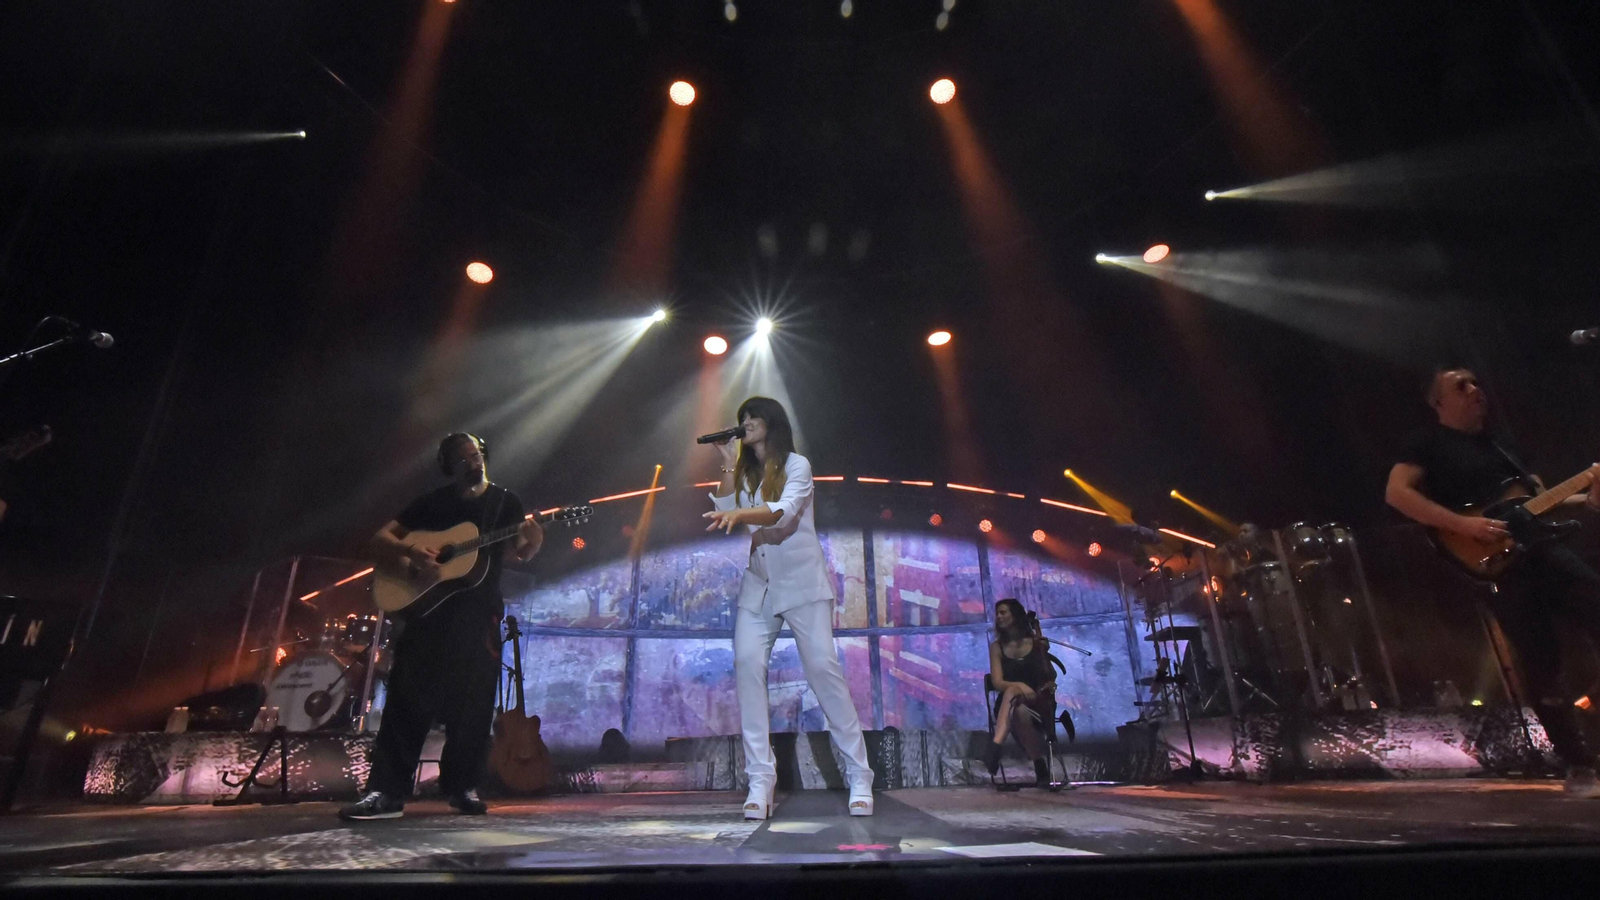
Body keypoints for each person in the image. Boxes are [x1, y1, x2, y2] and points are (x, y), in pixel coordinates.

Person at [1385, 365, 1600, 798]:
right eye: (1459, 386)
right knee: (1541, 662)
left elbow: (1532, 504)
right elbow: (1397, 494)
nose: (1474, 389)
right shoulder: (1427, 444)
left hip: (1543, 550)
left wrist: (1590, 496)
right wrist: (1465, 528)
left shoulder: (1503, 446)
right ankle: (1578, 765)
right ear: (1438, 403)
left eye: (1476, 382)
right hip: (1501, 565)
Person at [340, 432, 543, 820]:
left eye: (476, 454)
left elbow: (522, 552)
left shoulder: (504, 502)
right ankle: (385, 792)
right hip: (425, 615)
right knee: (406, 700)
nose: (473, 462)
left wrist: (533, 541)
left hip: (477, 617)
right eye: (463, 458)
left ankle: (462, 787)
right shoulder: (431, 503)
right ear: (450, 466)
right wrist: (412, 551)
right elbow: (380, 539)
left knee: (473, 706)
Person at [703, 396, 874, 819]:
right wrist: (728, 462)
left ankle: (860, 773)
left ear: (772, 423)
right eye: (741, 418)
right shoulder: (746, 472)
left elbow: (782, 515)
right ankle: (761, 781)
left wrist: (741, 512)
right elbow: (727, 512)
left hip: (801, 584)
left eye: (752, 417)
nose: (745, 423)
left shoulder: (798, 466)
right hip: (759, 585)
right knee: (747, 665)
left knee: (822, 670)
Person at [982, 599, 1058, 788]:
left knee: (1017, 701)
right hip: (1011, 706)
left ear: (1015, 615)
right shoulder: (997, 647)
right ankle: (1039, 764)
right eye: (997, 613)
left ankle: (996, 745)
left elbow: (1051, 676)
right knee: (1017, 706)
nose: (998, 617)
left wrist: (1043, 651)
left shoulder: (1035, 642)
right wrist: (1019, 686)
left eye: (1003, 612)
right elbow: (998, 682)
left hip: (1037, 701)